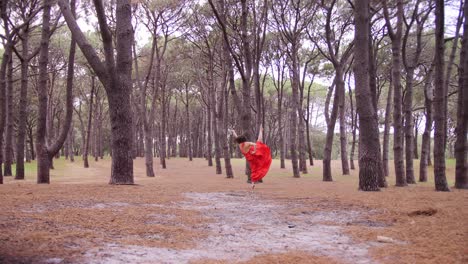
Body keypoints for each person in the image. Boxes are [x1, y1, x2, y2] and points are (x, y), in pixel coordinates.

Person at [229, 125, 272, 189]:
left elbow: (236, 137)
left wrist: (233, 132)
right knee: (259, 141)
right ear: (244, 139)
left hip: (249, 158)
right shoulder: (247, 143)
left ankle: (252, 183)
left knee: (254, 169)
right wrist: (254, 151)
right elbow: (254, 144)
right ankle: (260, 130)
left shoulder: (240, 144)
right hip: (253, 154)